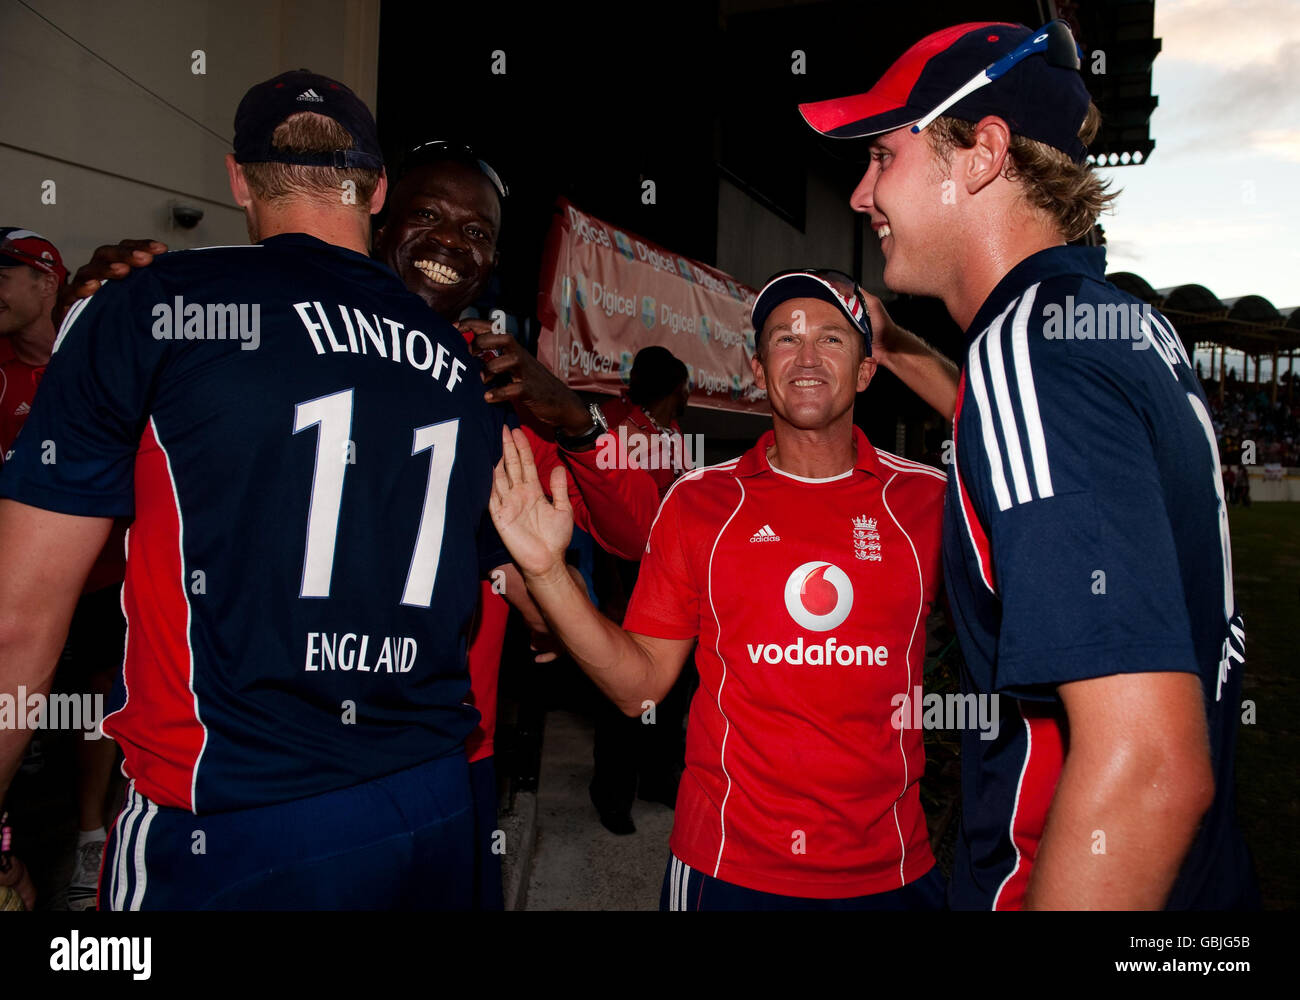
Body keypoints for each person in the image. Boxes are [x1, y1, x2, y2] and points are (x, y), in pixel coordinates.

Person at [0, 70, 516, 910]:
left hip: (234, 815)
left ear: (238, 177)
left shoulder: (154, 304)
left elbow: (16, 619)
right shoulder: (459, 362)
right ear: (377, 190)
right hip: (432, 801)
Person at [799, 19, 1256, 909]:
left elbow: (1147, 774)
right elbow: (1015, 436)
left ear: (980, 155)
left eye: (882, 157)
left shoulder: (1029, 356)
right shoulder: (1112, 323)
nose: (859, 195)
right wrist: (894, 348)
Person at [489, 268, 948, 909]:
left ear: (868, 370)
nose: (807, 357)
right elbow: (639, 686)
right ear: (758, 372)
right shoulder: (700, 502)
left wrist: (900, 341)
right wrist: (546, 575)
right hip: (726, 869)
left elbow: (1020, 428)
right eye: (784, 340)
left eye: (832, 340)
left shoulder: (931, 500)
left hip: (892, 869)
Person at [588, 345, 693, 834]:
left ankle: (657, 777)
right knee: (625, 689)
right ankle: (611, 795)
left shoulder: (667, 430)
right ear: (679, 389)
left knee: (674, 685)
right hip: (627, 577)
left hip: (671, 574)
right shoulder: (619, 430)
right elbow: (608, 513)